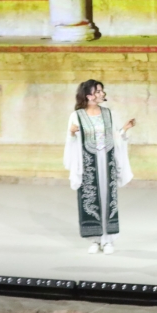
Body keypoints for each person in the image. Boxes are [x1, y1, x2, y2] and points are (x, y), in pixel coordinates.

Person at [63, 79, 136, 255]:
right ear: (89, 96)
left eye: (101, 91)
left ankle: (108, 240)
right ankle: (95, 239)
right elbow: (71, 140)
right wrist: (72, 133)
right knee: (90, 199)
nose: (102, 93)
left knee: (107, 197)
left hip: (107, 162)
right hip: (88, 163)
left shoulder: (108, 113)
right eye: (98, 91)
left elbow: (114, 137)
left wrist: (125, 129)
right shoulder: (77, 116)